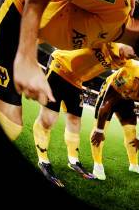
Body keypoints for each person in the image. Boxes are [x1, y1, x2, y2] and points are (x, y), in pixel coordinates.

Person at [0, 0, 139, 139]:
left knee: (5, 113)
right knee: (9, 121)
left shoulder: (111, 37)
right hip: (19, 6)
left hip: (28, 28)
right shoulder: (119, 5)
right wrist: (27, 53)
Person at [32, 43, 133, 186]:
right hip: (60, 66)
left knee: (75, 122)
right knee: (49, 118)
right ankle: (43, 161)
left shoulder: (127, 62)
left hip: (77, 81)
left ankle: (73, 161)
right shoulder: (111, 37)